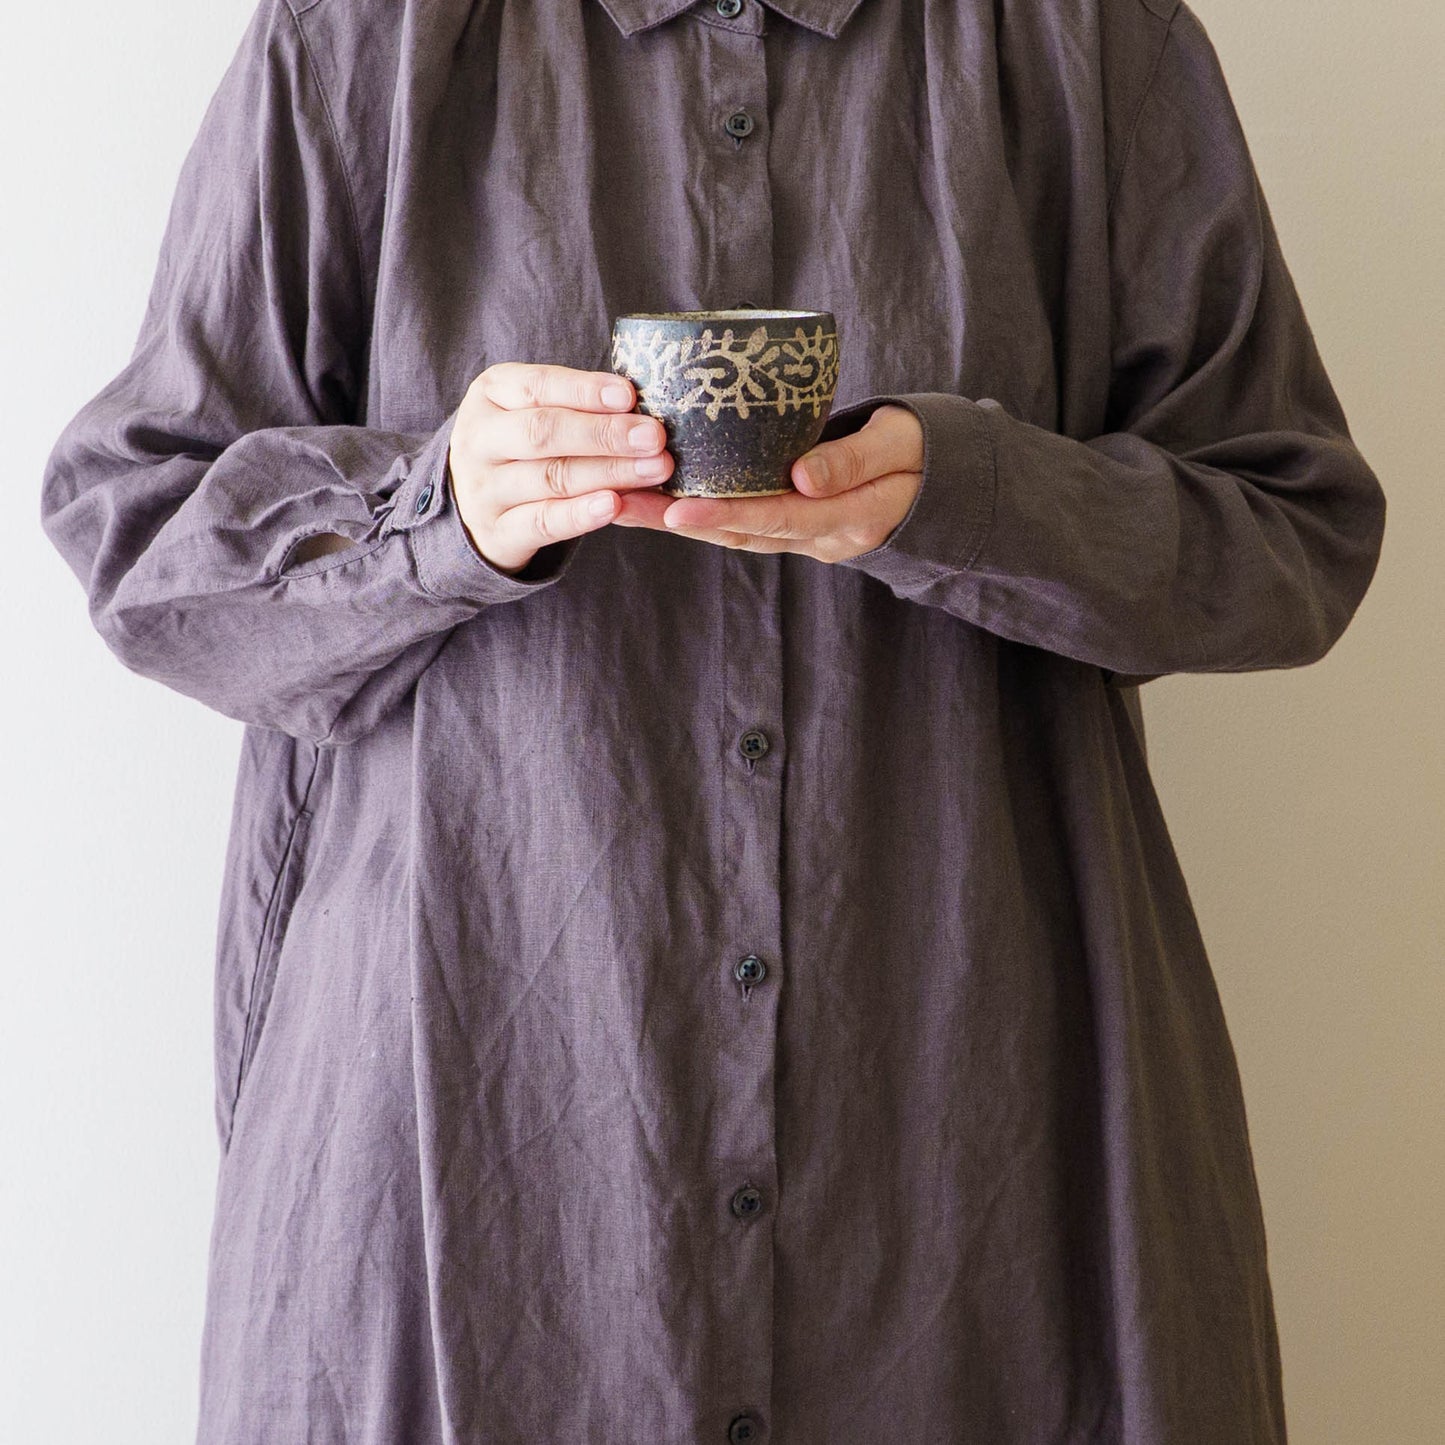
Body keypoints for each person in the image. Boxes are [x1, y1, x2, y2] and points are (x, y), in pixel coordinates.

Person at [39, 0, 1385, 1439]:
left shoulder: (1087, 41)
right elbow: (143, 535)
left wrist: (978, 495)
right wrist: (438, 510)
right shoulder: (363, 40)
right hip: (465, 1165)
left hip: (975, 1171)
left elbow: (1289, 533)